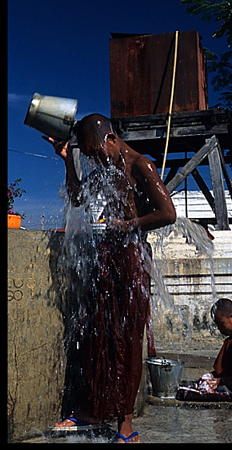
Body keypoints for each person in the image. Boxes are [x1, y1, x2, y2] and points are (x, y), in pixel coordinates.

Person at [44, 114, 176, 443]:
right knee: (97, 335)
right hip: (106, 257)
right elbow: (77, 198)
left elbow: (168, 213)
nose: (96, 160)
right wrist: (68, 161)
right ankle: (90, 412)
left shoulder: (140, 166)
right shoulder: (105, 166)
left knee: (128, 340)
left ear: (113, 139)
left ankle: (126, 427)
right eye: (89, 156)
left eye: (97, 153)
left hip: (132, 259)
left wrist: (126, 226)